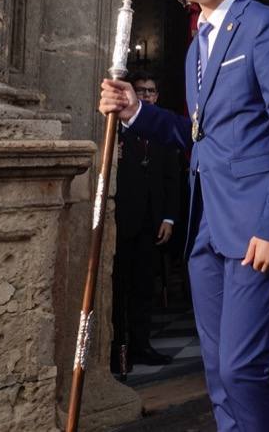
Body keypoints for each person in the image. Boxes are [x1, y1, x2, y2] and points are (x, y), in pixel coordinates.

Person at [99, 0, 269, 431]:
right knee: (220, 373)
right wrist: (136, 112)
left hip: (255, 225)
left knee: (244, 367)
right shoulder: (198, 45)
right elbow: (201, 138)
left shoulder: (265, 25)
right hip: (206, 232)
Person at [110, 71, 179, 372]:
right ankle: (116, 350)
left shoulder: (164, 129)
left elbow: (172, 178)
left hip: (153, 220)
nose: (147, 96)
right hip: (123, 218)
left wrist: (168, 217)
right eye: (141, 91)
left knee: (143, 287)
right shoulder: (117, 127)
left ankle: (142, 345)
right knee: (118, 287)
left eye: (151, 91)